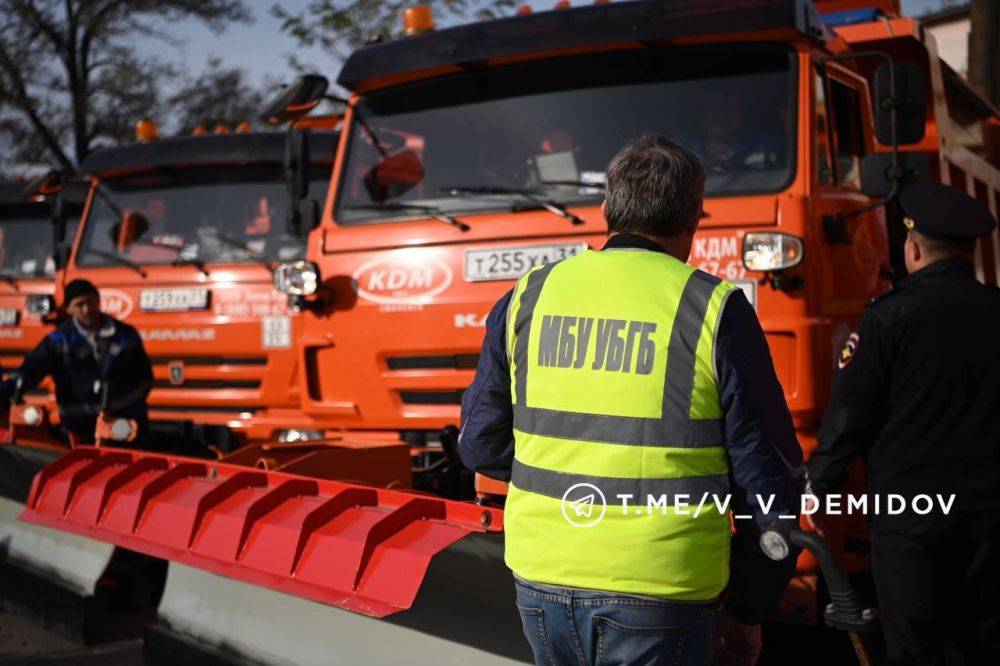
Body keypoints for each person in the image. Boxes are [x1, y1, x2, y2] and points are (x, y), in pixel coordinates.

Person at [459, 135, 803, 666]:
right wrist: (752, 606)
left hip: (542, 580)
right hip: (664, 588)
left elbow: (480, 444)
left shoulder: (528, 295)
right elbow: (768, 476)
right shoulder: (713, 308)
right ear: (693, 218)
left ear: (606, 212)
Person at [808, 181, 1000, 665]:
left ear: (912, 248)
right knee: (987, 641)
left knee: (914, 648)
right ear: (969, 252)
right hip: (990, 513)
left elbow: (851, 412)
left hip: (912, 516)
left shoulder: (889, 318)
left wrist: (821, 483)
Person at [0, 279, 153, 446]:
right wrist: (7, 391)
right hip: (78, 430)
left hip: (124, 427)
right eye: (80, 305)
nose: (87, 310)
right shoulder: (58, 341)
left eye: (90, 302)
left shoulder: (125, 335)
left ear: (98, 301)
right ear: (69, 309)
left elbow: (144, 378)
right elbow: (30, 370)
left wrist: (126, 405)